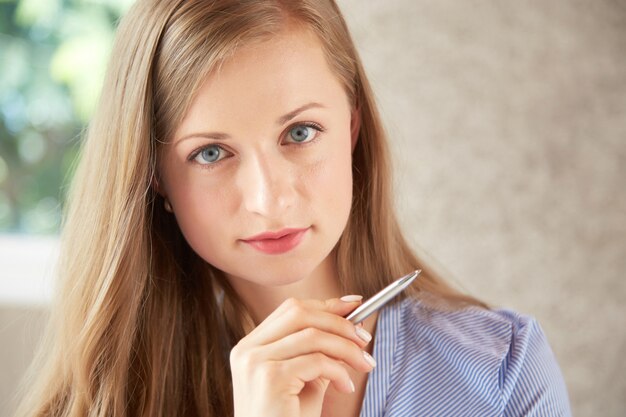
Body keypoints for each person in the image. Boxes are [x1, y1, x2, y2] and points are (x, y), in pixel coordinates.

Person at [16, 0, 571, 416]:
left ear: (351, 128)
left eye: (300, 132)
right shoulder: (98, 402)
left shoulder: (501, 372)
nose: (269, 199)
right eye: (211, 153)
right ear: (155, 175)